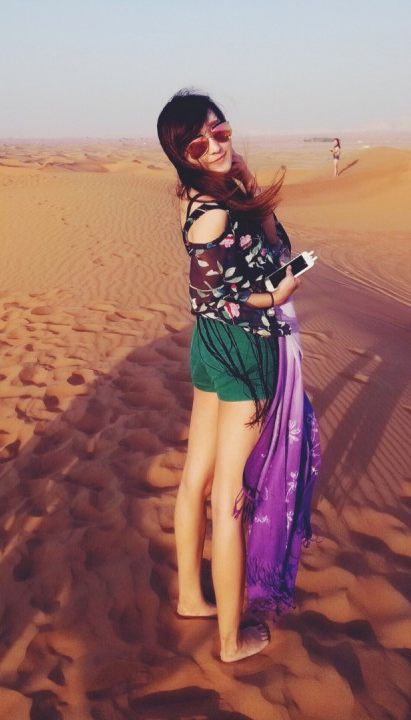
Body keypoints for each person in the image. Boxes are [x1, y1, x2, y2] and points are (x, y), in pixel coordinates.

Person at [156, 90, 321, 662]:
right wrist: (273, 295)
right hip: (243, 351)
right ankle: (230, 641)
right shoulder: (216, 213)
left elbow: (272, 244)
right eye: (198, 144)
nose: (215, 146)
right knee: (229, 497)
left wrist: (246, 182)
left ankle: (191, 596)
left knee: (196, 478)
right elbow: (211, 296)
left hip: (212, 346)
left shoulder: (201, 197)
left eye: (220, 132)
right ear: (183, 156)